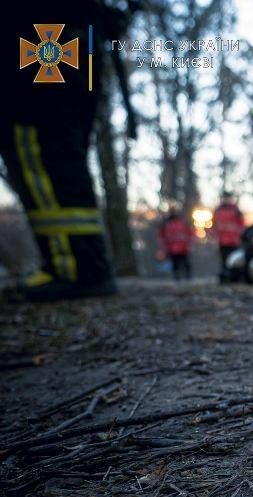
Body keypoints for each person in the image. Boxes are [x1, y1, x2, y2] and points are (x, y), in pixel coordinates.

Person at [1, 3, 127, 301]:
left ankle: (77, 268)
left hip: (41, 32)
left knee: (39, 143)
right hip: (67, 34)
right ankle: (80, 265)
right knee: (55, 144)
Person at [211, 194, 246, 281]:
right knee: (224, 260)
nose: (226, 200)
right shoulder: (217, 211)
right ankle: (225, 276)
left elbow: (241, 225)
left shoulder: (236, 211)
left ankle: (234, 277)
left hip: (234, 241)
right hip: (222, 241)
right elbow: (214, 225)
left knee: (234, 260)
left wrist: (240, 236)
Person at [158, 205, 193, 281]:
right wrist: (163, 246)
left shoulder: (183, 221)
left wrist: (189, 243)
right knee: (175, 263)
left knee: (186, 262)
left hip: (183, 247)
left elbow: (189, 232)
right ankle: (177, 277)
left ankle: (188, 277)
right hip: (172, 247)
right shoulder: (166, 223)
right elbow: (162, 235)